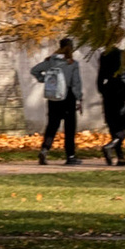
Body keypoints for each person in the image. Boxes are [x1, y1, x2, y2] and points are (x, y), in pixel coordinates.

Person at [33, 36, 83, 166]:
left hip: (53, 97)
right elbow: (76, 83)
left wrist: (44, 79)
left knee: (52, 125)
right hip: (68, 97)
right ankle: (70, 156)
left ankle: (44, 150)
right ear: (71, 48)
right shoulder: (72, 63)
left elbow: (34, 70)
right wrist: (79, 98)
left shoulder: (50, 61)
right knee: (69, 128)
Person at [96, 42, 125, 168]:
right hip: (122, 92)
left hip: (109, 91)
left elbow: (100, 77)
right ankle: (111, 146)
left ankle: (120, 156)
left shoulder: (104, 56)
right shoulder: (123, 55)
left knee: (113, 125)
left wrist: (103, 91)